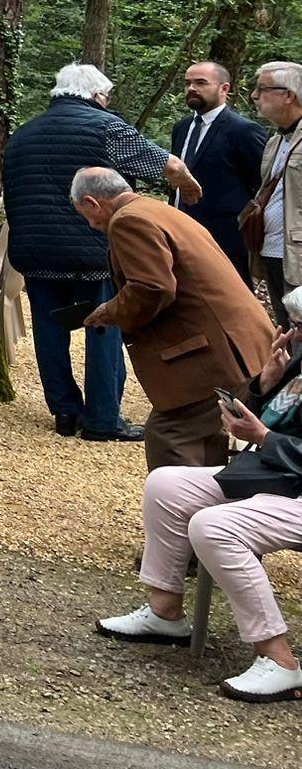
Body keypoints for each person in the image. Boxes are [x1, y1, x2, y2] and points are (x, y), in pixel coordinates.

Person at [96, 294, 302, 703]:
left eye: (301, 326)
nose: (293, 333)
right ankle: (165, 612)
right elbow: (272, 418)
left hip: (290, 483)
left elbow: (271, 435)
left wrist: (263, 438)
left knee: (214, 526)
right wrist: (265, 382)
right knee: (167, 485)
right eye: (294, 323)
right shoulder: (298, 359)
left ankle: (278, 659)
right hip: (278, 476)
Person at [2, 63, 202, 438]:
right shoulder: (105, 126)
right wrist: (190, 189)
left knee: (49, 330)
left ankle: (64, 412)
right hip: (91, 250)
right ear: (96, 96)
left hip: (35, 250)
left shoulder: (24, 132)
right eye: (106, 98)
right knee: (105, 325)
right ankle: (103, 419)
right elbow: (169, 165)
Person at [75, 167, 276, 469]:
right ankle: (210, 512)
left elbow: (152, 288)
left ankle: (179, 514)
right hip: (243, 341)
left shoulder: (128, 221)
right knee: (208, 438)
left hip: (215, 351)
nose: (91, 224)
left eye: (86, 215)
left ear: (92, 202)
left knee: (171, 435)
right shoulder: (159, 210)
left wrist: (111, 311)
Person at [171, 61, 267, 285]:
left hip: (226, 238)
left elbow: (260, 186)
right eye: (187, 83)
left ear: (224, 88)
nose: (192, 88)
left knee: (231, 300)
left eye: (200, 83)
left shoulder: (243, 131)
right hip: (179, 230)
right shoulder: (182, 128)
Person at [252, 61, 302, 327]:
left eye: (263, 89)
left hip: (298, 256)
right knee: (287, 330)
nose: (254, 96)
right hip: (273, 251)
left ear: (289, 95)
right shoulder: (275, 139)